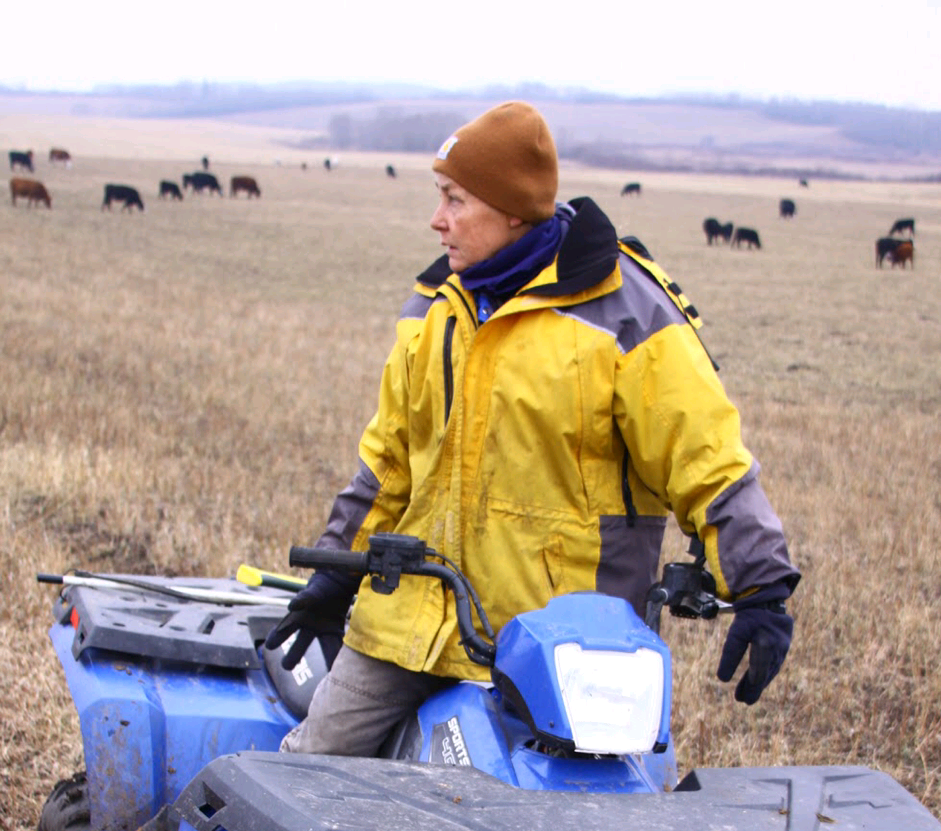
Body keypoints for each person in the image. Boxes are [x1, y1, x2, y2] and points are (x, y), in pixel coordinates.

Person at [266, 100, 799, 756]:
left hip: (569, 649)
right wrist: (334, 576)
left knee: (605, 808)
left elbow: (706, 457)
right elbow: (388, 464)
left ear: (512, 209)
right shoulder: (433, 309)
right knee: (308, 771)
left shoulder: (625, 314)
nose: (437, 219)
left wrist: (761, 587)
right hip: (413, 626)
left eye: (455, 200)